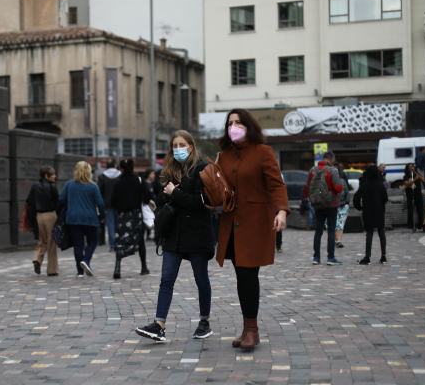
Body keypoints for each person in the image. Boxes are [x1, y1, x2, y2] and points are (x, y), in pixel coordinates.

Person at [215, 109, 289, 350]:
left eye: (238, 122)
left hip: (255, 223)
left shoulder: (263, 152)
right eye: (230, 123)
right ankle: (248, 327)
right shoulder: (223, 156)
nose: (234, 126)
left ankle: (252, 330)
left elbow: (277, 185)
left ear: (249, 126)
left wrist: (281, 211)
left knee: (248, 275)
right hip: (232, 225)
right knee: (241, 276)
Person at [135, 130, 215, 342]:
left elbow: (203, 202)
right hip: (174, 235)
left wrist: (175, 194)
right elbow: (162, 200)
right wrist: (166, 194)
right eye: (175, 145)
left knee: (201, 279)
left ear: (191, 146)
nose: (178, 148)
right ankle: (159, 324)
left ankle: (204, 321)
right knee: (166, 280)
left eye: (182, 144)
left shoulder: (202, 168)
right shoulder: (170, 170)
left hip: (197, 234)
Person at [58, 162, 106, 278]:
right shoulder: (93, 186)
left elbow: (61, 199)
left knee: (78, 244)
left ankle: (80, 272)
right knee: (93, 241)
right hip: (90, 218)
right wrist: (103, 216)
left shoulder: (69, 185)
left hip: (73, 218)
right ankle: (86, 260)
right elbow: (100, 203)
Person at [110, 158, 153, 279]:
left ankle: (117, 267)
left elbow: (113, 201)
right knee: (140, 240)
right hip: (136, 215)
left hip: (123, 216)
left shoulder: (118, 183)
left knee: (120, 241)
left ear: (122, 169)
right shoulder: (138, 181)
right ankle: (144, 267)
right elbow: (148, 197)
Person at [303, 151, 344, 265]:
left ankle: (316, 257)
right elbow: (339, 188)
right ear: (331, 161)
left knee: (318, 231)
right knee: (331, 230)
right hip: (332, 204)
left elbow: (307, 187)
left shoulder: (312, 170)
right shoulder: (332, 171)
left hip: (317, 204)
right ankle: (330, 258)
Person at [26, 165, 59, 276]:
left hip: (38, 216)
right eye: (53, 174)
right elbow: (58, 202)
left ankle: (37, 259)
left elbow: (29, 200)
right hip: (50, 215)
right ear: (46, 176)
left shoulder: (35, 186)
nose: (55, 176)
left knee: (41, 240)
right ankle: (52, 269)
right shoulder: (52, 186)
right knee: (51, 242)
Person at [353, 165, 389, 264]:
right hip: (379, 211)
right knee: (381, 231)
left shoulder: (365, 185)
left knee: (369, 232)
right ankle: (383, 256)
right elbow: (385, 198)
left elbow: (356, 197)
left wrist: (360, 207)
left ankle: (367, 257)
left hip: (368, 211)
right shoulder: (380, 185)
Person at [98, 159, 121, 253]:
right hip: (119, 203)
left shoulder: (103, 176)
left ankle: (112, 245)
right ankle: (120, 243)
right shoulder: (120, 175)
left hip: (107, 203)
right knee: (119, 223)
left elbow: (100, 190)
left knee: (110, 224)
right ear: (115, 165)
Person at [403, 163, 425, 231]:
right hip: (410, 196)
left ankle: (420, 226)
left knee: (420, 211)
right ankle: (410, 226)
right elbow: (406, 184)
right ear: (407, 169)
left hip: (418, 195)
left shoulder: (417, 175)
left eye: (412, 167)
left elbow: (424, 182)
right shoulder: (406, 176)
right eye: (409, 167)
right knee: (410, 211)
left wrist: (421, 178)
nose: (411, 168)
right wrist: (414, 180)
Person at [333, 171, 350, 249]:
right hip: (332, 206)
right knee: (335, 224)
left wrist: (347, 203)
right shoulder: (329, 182)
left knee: (341, 224)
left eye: (337, 173)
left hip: (343, 206)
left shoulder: (343, 182)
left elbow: (347, 192)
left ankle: (338, 241)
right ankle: (336, 240)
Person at [143, 168, 156, 240]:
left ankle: (149, 232)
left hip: (152, 204)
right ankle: (147, 232)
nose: (154, 175)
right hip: (146, 204)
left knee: (152, 218)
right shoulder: (144, 183)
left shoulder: (153, 184)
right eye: (152, 174)